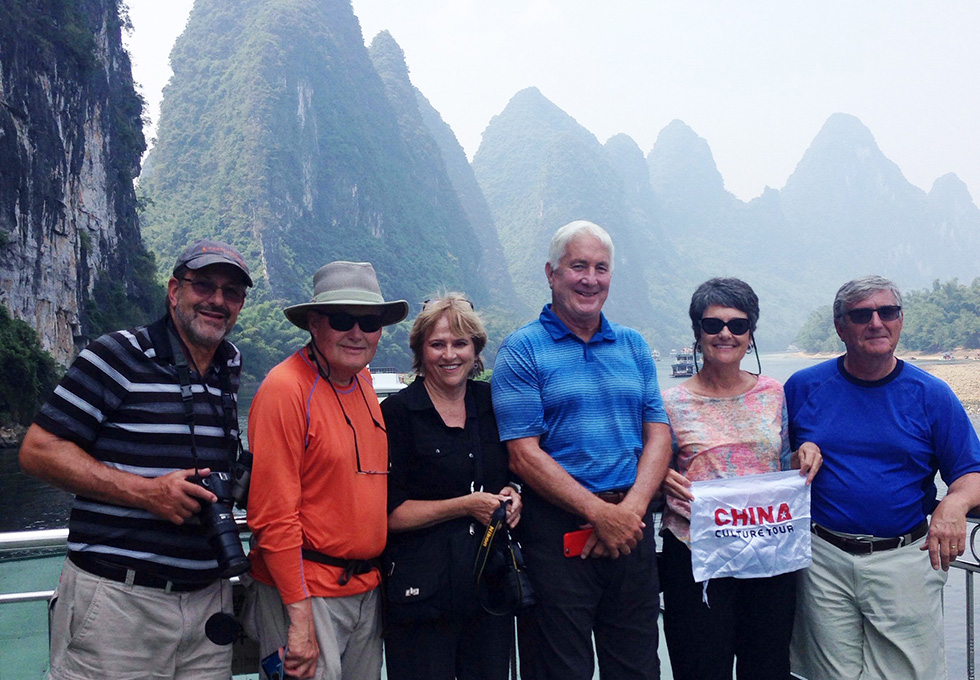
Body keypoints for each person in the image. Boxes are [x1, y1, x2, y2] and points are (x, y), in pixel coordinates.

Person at [19, 239, 253, 679]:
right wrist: (147, 493)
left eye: (232, 292)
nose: (217, 300)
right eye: (203, 285)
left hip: (208, 602)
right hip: (118, 602)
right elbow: (37, 450)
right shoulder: (116, 355)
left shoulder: (229, 366)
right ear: (173, 290)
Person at [491, 220, 672, 680]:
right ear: (552, 274)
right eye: (578, 266)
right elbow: (523, 454)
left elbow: (659, 435)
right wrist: (599, 513)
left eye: (601, 268)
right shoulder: (522, 350)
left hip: (630, 532)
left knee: (637, 666)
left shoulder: (633, 346)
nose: (590, 279)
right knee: (559, 669)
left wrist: (627, 513)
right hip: (556, 536)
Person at [785, 274, 980, 680]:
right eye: (861, 315)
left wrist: (954, 502)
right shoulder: (803, 387)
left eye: (887, 311)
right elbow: (772, 465)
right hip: (824, 560)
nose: (876, 322)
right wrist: (795, 456)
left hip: (905, 558)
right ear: (840, 326)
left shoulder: (931, 394)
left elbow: (971, 471)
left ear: (900, 320)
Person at [244, 261, 408, 680]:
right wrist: (298, 619)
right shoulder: (286, 389)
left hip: (365, 591)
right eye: (341, 319)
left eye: (369, 321)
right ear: (314, 324)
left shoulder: (364, 383)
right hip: (306, 594)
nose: (357, 333)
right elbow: (272, 515)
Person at [658, 278, 821, 680]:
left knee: (767, 667)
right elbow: (649, 464)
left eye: (738, 324)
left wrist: (808, 450)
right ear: (697, 333)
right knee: (700, 668)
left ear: (751, 334)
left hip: (770, 555)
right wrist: (659, 475)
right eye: (713, 325)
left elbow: (785, 457)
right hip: (696, 557)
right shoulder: (670, 403)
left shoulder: (774, 393)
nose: (725, 334)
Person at [380, 293, 522, 680]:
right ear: (420, 350)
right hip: (420, 598)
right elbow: (388, 514)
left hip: (488, 591)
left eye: (460, 343)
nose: (450, 355)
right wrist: (464, 505)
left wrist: (514, 492)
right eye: (437, 344)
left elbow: (516, 468)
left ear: (476, 349)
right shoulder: (396, 414)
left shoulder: (493, 403)